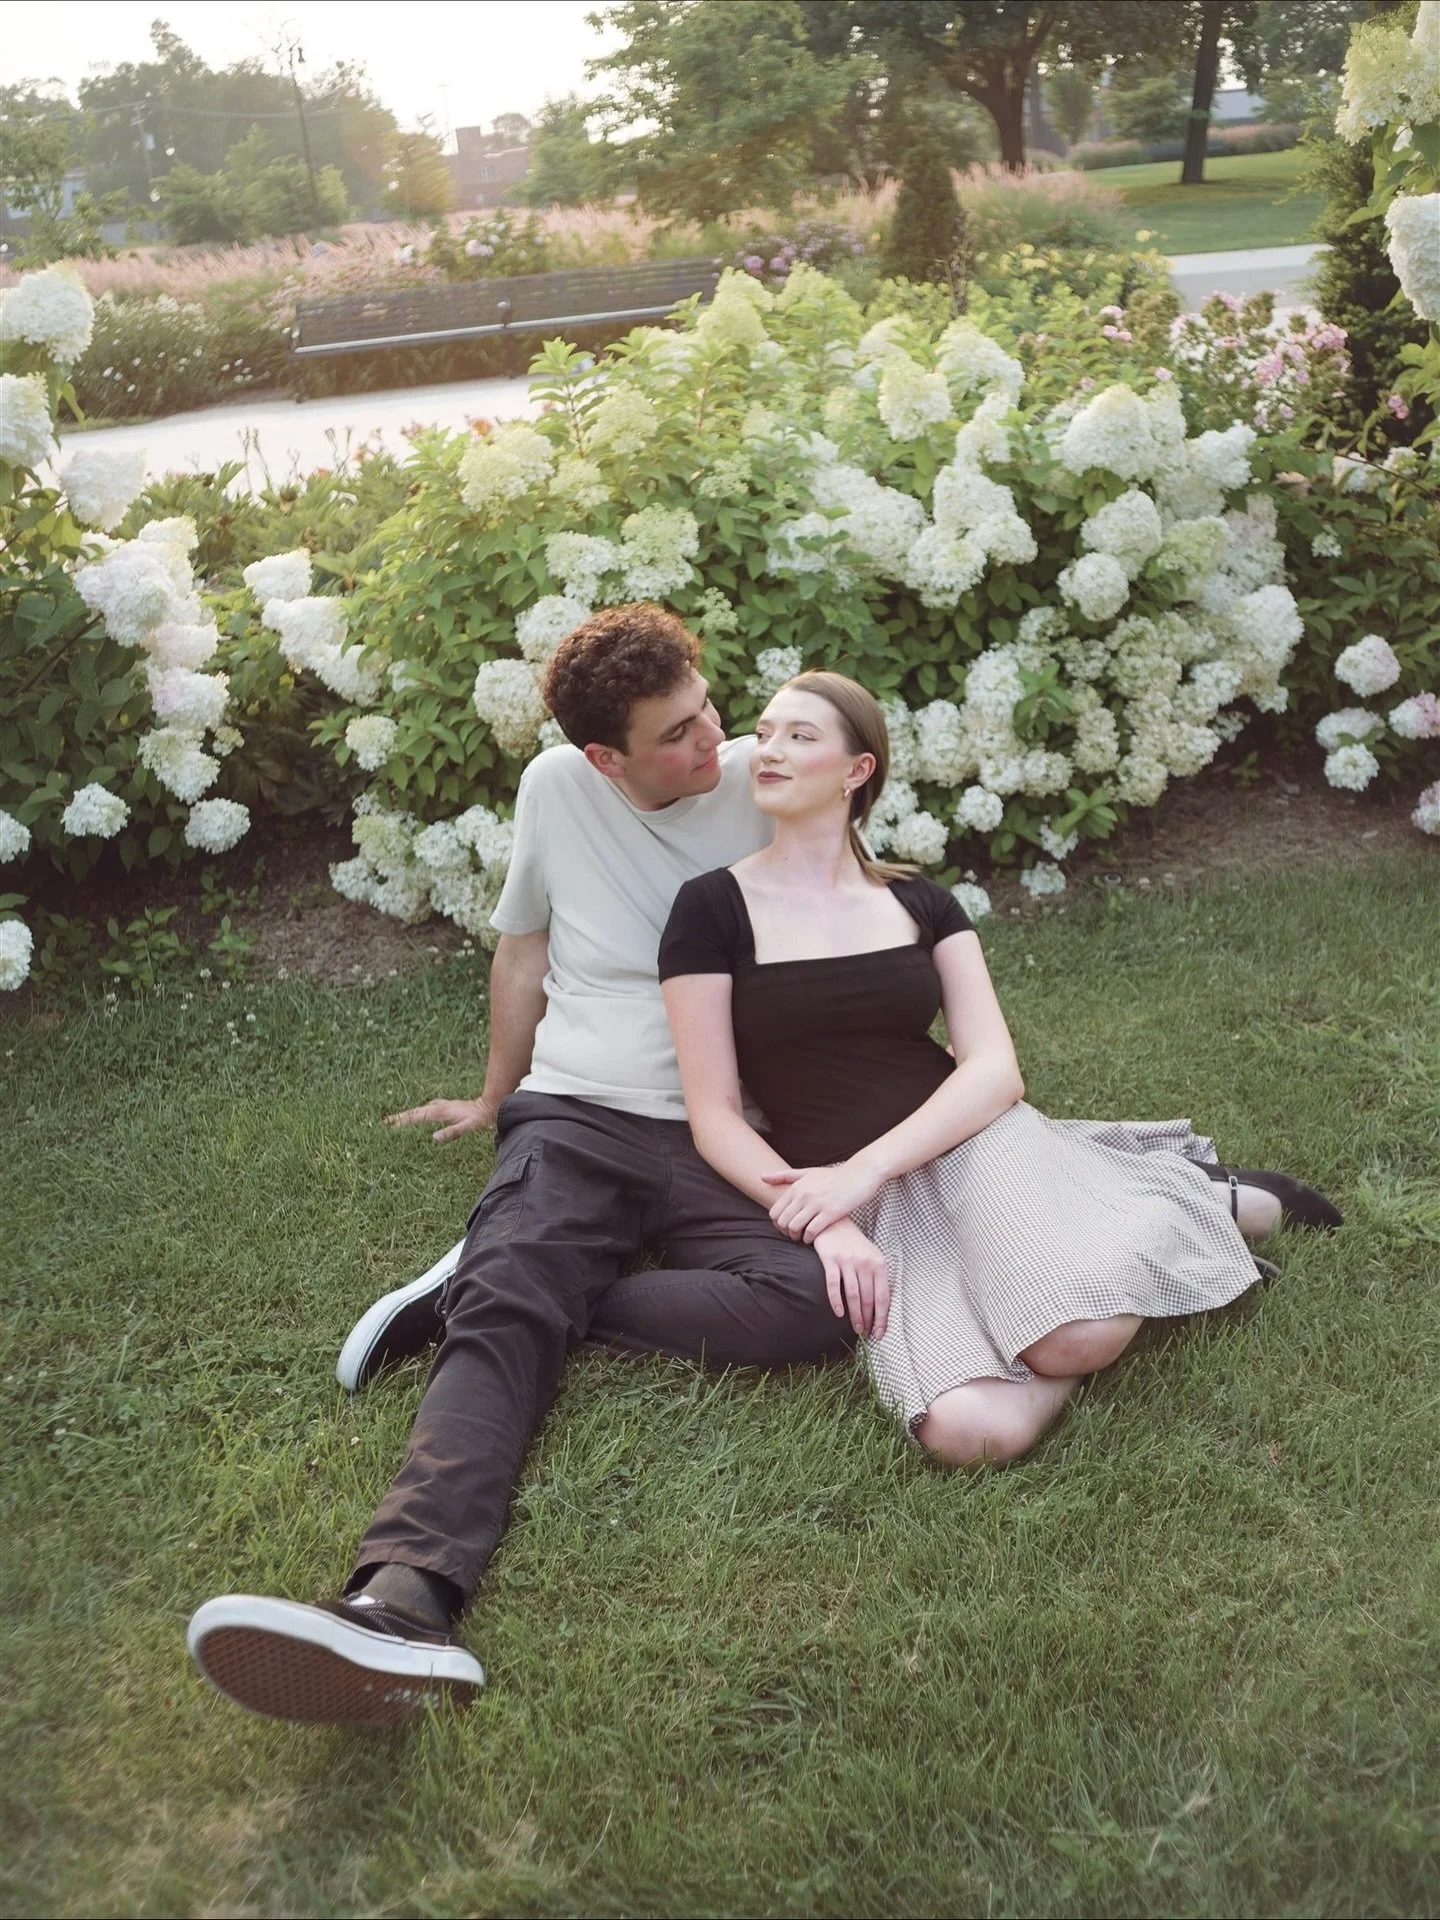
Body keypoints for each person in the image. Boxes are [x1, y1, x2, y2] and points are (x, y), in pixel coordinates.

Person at [185, 606, 874, 1727]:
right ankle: (400, 1605)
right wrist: (495, 1097)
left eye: (708, 710)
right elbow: (525, 946)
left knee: (823, 1297)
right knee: (515, 1306)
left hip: (730, 1134)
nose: (716, 740)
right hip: (582, 1112)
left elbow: (853, 930)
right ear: (606, 758)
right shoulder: (556, 789)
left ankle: (494, 1284)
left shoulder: (765, 777)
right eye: (678, 735)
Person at [657, 671, 1342, 1465]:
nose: (767, 750)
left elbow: (993, 1071)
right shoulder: (710, 908)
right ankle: (1150, 1227)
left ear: (856, 770)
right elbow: (714, 1116)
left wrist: (862, 1169)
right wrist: (832, 1213)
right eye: (766, 732)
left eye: (799, 736)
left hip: (974, 1144)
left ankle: (1179, 1209)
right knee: (968, 1432)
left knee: (1071, 1336)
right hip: (872, 1206)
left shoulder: (921, 902)